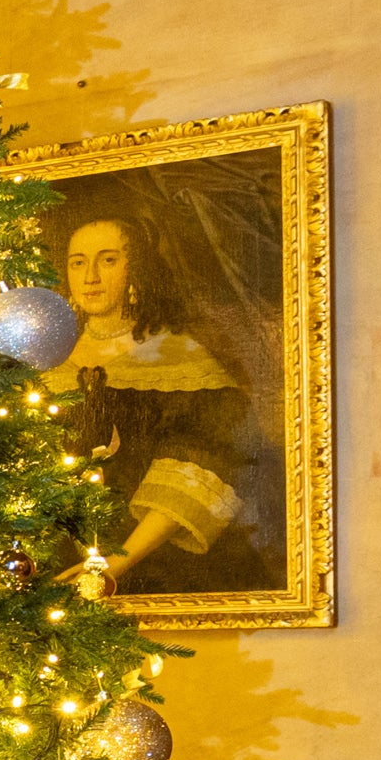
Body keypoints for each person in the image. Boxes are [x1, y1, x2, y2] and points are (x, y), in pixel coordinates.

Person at [52, 207, 267, 594]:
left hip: (150, 559)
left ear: (135, 271)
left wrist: (113, 565)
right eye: (78, 262)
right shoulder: (47, 361)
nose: (91, 277)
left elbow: (206, 463)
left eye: (109, 260)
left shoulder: (180, 356)